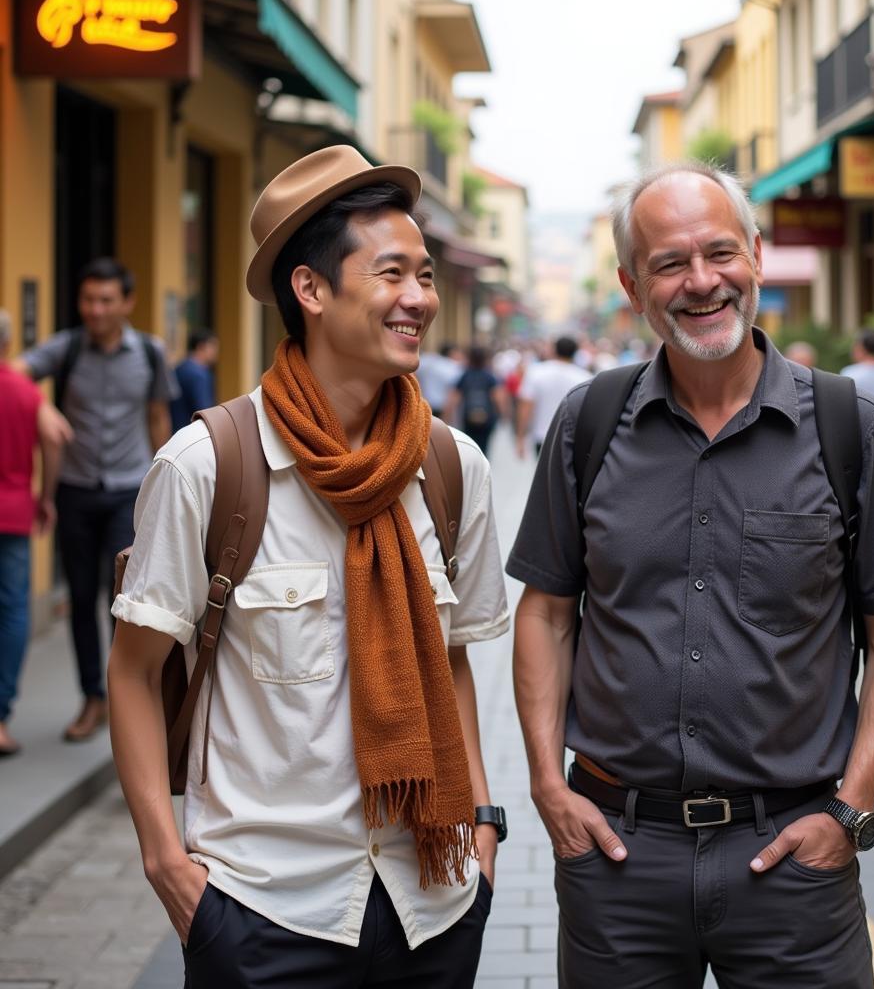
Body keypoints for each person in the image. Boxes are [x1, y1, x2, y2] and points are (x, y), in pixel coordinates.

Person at [506, 161, 874, 988]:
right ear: (635, 289)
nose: (701, 281)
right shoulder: (588, 424)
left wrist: (850, 811)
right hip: (618, 857)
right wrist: (543, 784)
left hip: (793, 863)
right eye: (670, 263)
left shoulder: (849, 427)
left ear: (756, 257)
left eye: (719, 253)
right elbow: (547, 614)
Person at [107, 145, 510, 988]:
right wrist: (167, 865)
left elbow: (456, 659)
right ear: (313, 290)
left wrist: (480, 826)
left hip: (428, 901)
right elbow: (135, 674)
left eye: (427, 276)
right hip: (263, 910)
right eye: (393, 273)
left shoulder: (449, 466)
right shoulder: (209, 466)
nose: (421, 300)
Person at [15, 258, 177, 742]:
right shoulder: (65, 349)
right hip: (76, 489)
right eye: (88, 299)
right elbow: (14, 375)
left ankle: (128, 697)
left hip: (128, 492)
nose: (96, 309)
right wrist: (42, 407)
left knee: (124, 601)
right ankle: (93, 699)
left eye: (107, 300)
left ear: (127, 302)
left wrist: (163, 484)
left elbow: (156, 419)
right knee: (81, 597)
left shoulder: (149, 353)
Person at [0, 310, 70, 756]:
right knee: (11, 612)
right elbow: (57, 437)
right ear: (8, 344)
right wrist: (46, 495)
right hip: (13, 513)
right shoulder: (26, 393)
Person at [515, 336, 591, 458]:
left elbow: (525, 406)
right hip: (572, 438)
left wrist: (520, 438)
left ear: (554, 350)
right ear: (576, 352)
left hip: (541, 436)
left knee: (542, 474)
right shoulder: (584, 377)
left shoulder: (536, 372)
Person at [446, 344, 503, 456]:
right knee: (484, 446)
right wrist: (501, 414)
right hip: (487, 418)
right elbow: (498, 398)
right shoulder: (489, 377)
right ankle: (483, 467)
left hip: (468, 417)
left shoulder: (464, 376)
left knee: (470, 445)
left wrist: (447, 418)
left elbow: (454, 399)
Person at [170, 329, 218, 432]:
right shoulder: (199, 374)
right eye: (213, 347)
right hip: (193, 433)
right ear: (201, 346)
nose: (216, 352)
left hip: (176, 432)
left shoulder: (179, 368)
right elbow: (204, 411)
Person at [416, 341, 464, 417]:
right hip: (442, 406)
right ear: (452, 352)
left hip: (424, 404)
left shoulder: (426, 361)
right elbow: (453, 392)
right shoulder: (454, 367)